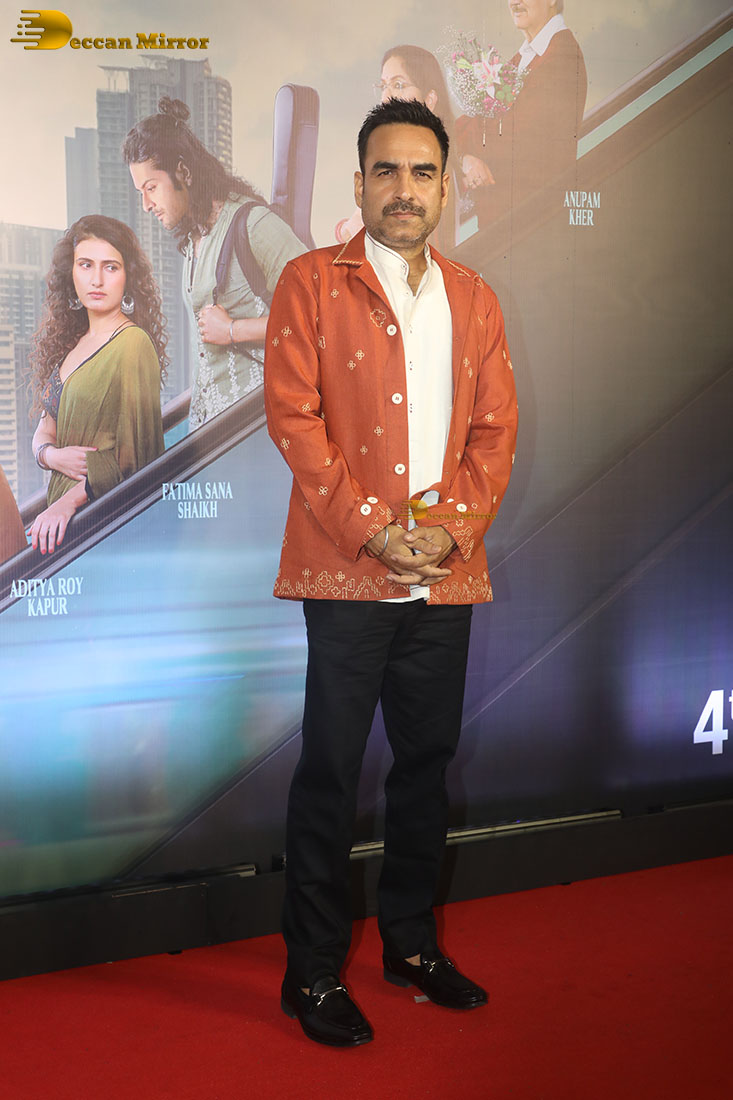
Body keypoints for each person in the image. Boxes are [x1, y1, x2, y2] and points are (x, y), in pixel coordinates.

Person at [265, 98, 518, 1047]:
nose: (403, 189)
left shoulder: (474, 296)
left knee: (423, 768)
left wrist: (446, 533)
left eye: (421, 172)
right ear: (359, 184)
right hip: (345, 574)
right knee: (330, 774)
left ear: (444, 188)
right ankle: (312, 971)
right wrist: (376, 533)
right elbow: (295, 421)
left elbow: (494, 429)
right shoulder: (308, 283)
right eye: (386, 171)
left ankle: (410, 944)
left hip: (443, 578)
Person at [123, 97, 306, 432]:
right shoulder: (194, 237)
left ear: (183, 172)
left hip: (260, 431)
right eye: (141, 192)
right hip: (214, 437)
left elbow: (320, 318)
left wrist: (233, 330)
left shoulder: (253, 225)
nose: (147, 204)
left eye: (151, 188)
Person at [28, 215, 167, 556]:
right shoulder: (72, 345)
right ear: (71, 273)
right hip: (59, 522)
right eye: (86, 265)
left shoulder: (132, 344)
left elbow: (134, 457)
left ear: (128, 276)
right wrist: (52, 456)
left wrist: (68, 503)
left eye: (111, 267)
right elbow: (45, 431)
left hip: (97, 520)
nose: (97, 280)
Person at [457, 0, 587, 224]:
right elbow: (489, 120)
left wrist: (452, 135)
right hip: (508, 217)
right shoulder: (528, 55)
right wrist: (464, 156)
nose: (514, 3)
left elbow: (508, 135)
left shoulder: (560, 56)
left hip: (529, 220)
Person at [336, 45, 461, 253]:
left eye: (399, 85)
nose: (386, 97)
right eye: (383, 86)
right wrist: (346, 230)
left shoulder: (443, 163)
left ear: (429, 100)